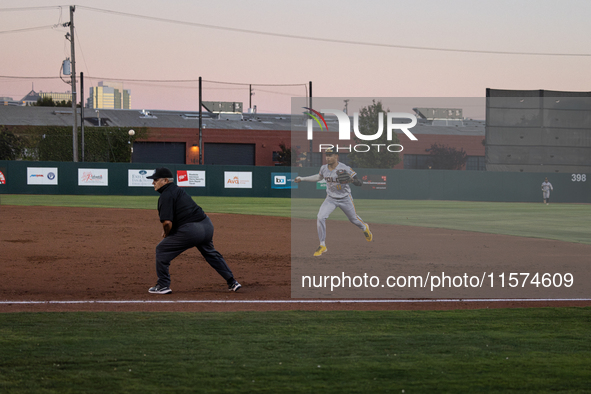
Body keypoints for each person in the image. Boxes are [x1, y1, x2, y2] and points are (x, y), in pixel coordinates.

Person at [146, 167, 241, 294]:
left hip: (191, 230)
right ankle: (232, 282)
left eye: (155, 180)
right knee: (211, 254)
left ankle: (163, 285)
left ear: (165, 180)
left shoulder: (166, 195)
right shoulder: (178, 190)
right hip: (207, 226)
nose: (153, 182)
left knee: (161, 250)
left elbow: (167, 222)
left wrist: (166, 233)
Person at [294, 149, 372, 256]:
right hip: (330, 199)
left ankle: (364, 228)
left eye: (330, 155)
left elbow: (359, 183)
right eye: (327, 155)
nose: (327, 157)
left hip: (345, 198)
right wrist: (302, 179)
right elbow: (318, 177)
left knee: (353, 219)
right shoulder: (324, 168)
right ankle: (322, 245)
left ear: (336, 156)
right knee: (320, 217)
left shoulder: (345, 168)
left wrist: (352, 180)